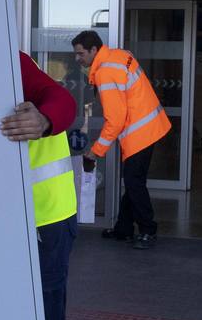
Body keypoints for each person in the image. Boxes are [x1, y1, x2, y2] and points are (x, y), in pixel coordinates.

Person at [0, 52, 100, 320]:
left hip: (46, 224)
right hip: (1, 224)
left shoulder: (4, 56)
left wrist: (42, 120)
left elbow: (60, 99)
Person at [70, 30, 171, 250]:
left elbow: (115, 120)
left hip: (140, 132)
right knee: (133, 181)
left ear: (94, 50)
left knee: (134, 182)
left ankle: (148, 230)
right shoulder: (118, 56)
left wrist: (95, 152)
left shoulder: (106, 73)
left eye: (80, 54)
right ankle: (124, 229)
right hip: (149, 126)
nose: (77, 59)